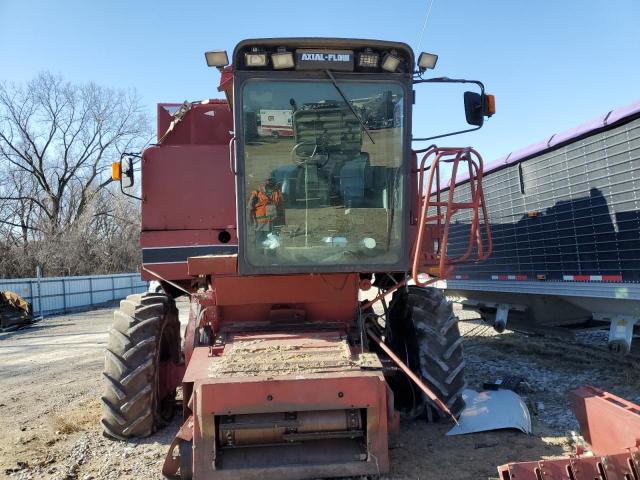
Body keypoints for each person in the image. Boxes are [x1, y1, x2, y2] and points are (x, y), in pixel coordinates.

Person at [248, 177, 284, 245]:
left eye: (272, 181)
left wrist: (281, 222)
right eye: (268, 181)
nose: (270, 182)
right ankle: (258, 255)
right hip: (261, 224)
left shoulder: (277, 192)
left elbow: (281, 205)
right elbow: (250, 207)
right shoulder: (257, 193)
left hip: (274, 223)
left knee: (273, 243)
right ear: (265, 182)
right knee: (259, 242)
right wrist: (250, 218)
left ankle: (271, 255)